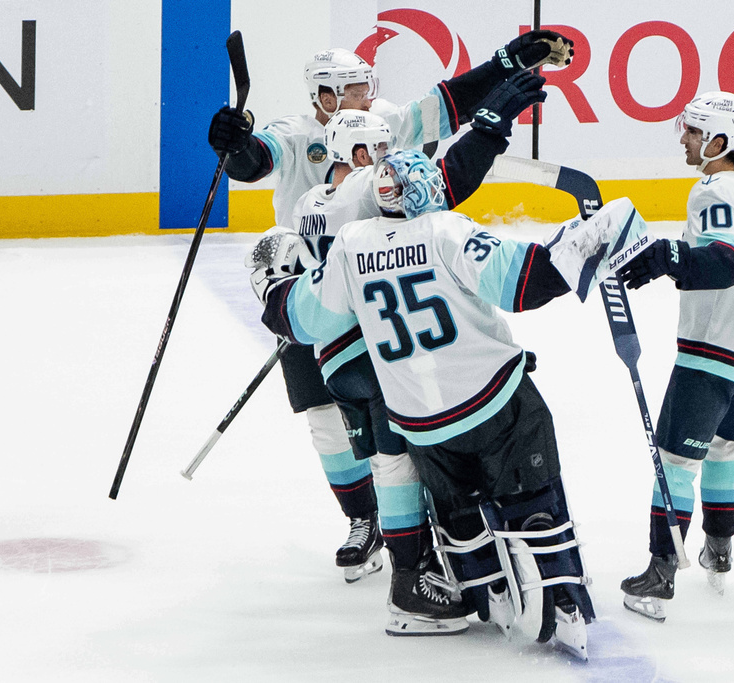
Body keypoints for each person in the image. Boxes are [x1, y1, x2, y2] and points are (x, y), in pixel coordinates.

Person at [247, 149, 653, 654]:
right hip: (493, 400)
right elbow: (524, 282)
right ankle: (565, 594)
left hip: (421, 425)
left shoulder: (351, 245)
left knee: (457, 509)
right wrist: (591, 238)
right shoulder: (446, 230)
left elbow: (302, 320)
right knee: (535, 496)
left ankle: (486, 588)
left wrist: (273, 288)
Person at [207, 33, 573, 582]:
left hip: (358, 293)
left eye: (366, 86)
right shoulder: (297, 135)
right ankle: (369, 523)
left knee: (393, 434)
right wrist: (235, 145)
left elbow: (447, 102)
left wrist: (505, 63)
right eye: (354, 89)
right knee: (331, 426)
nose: (366, 97)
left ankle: (419, 541)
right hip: (323, 292)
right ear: (324, 97)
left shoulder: (377, 124)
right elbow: (256, 160)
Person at [615, 91, 734, 621]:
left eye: (694, 133)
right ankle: (719, 549)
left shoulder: (713, 191)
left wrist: (666, 256)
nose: (684, 139)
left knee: (676, 461)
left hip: (714, 353)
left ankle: (660, 575)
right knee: (727, 447)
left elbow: (726, 263)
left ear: (719, 141)